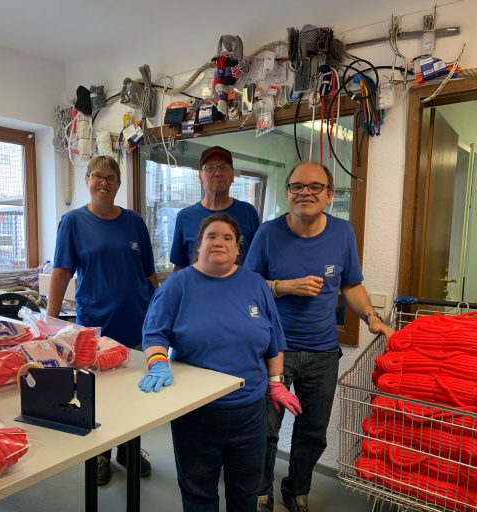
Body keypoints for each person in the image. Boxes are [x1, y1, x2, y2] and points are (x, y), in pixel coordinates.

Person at [245, 161, 395, 512]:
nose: (305, 193)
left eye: (315, 187)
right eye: (297, 186)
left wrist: (372, 317)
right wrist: (283, 287)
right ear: (287, 194)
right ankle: (260, 492)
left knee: (313, 432)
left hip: (324, 354)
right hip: (274, 352)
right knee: (265, 431)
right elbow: (247, 287)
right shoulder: (267, 234)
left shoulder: (343, 233)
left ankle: (296, 490)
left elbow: (351, 284)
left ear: (329, 194)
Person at [139, 213, 301, 512]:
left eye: (228, 238)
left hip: (250, 412)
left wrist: (276, 384)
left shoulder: (255, 285)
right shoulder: (179, 284)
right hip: (197, 413)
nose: (219, 242)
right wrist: (159, 362)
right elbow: (154, 334)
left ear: (238, 249)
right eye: (211, 236)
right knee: (199, 492)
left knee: (245, 492)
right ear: (198, 246)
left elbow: (274, 342)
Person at [47, 155, 158, 486]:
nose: (104, 183)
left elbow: (149, 272)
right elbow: (62, 271)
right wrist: (50, 323)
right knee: (98, 396)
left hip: (136, 325)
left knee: (135, 395)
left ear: (119, 184)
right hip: (94, 328)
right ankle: (100, 455)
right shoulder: (73, 222)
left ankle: (129, 450)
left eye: (111, 178)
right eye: (98, 176)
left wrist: (162, 313)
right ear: (87, 180)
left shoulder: (134, 223)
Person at [170, 146, 260, 270]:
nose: (218, 173)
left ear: (233, 175)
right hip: (198, 289)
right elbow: (179, 266)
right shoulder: (184, 217)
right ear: (200, 176)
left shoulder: (248, 213)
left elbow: (259, 261)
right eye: (210, 168)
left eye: (224, 167)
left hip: (241, 288)